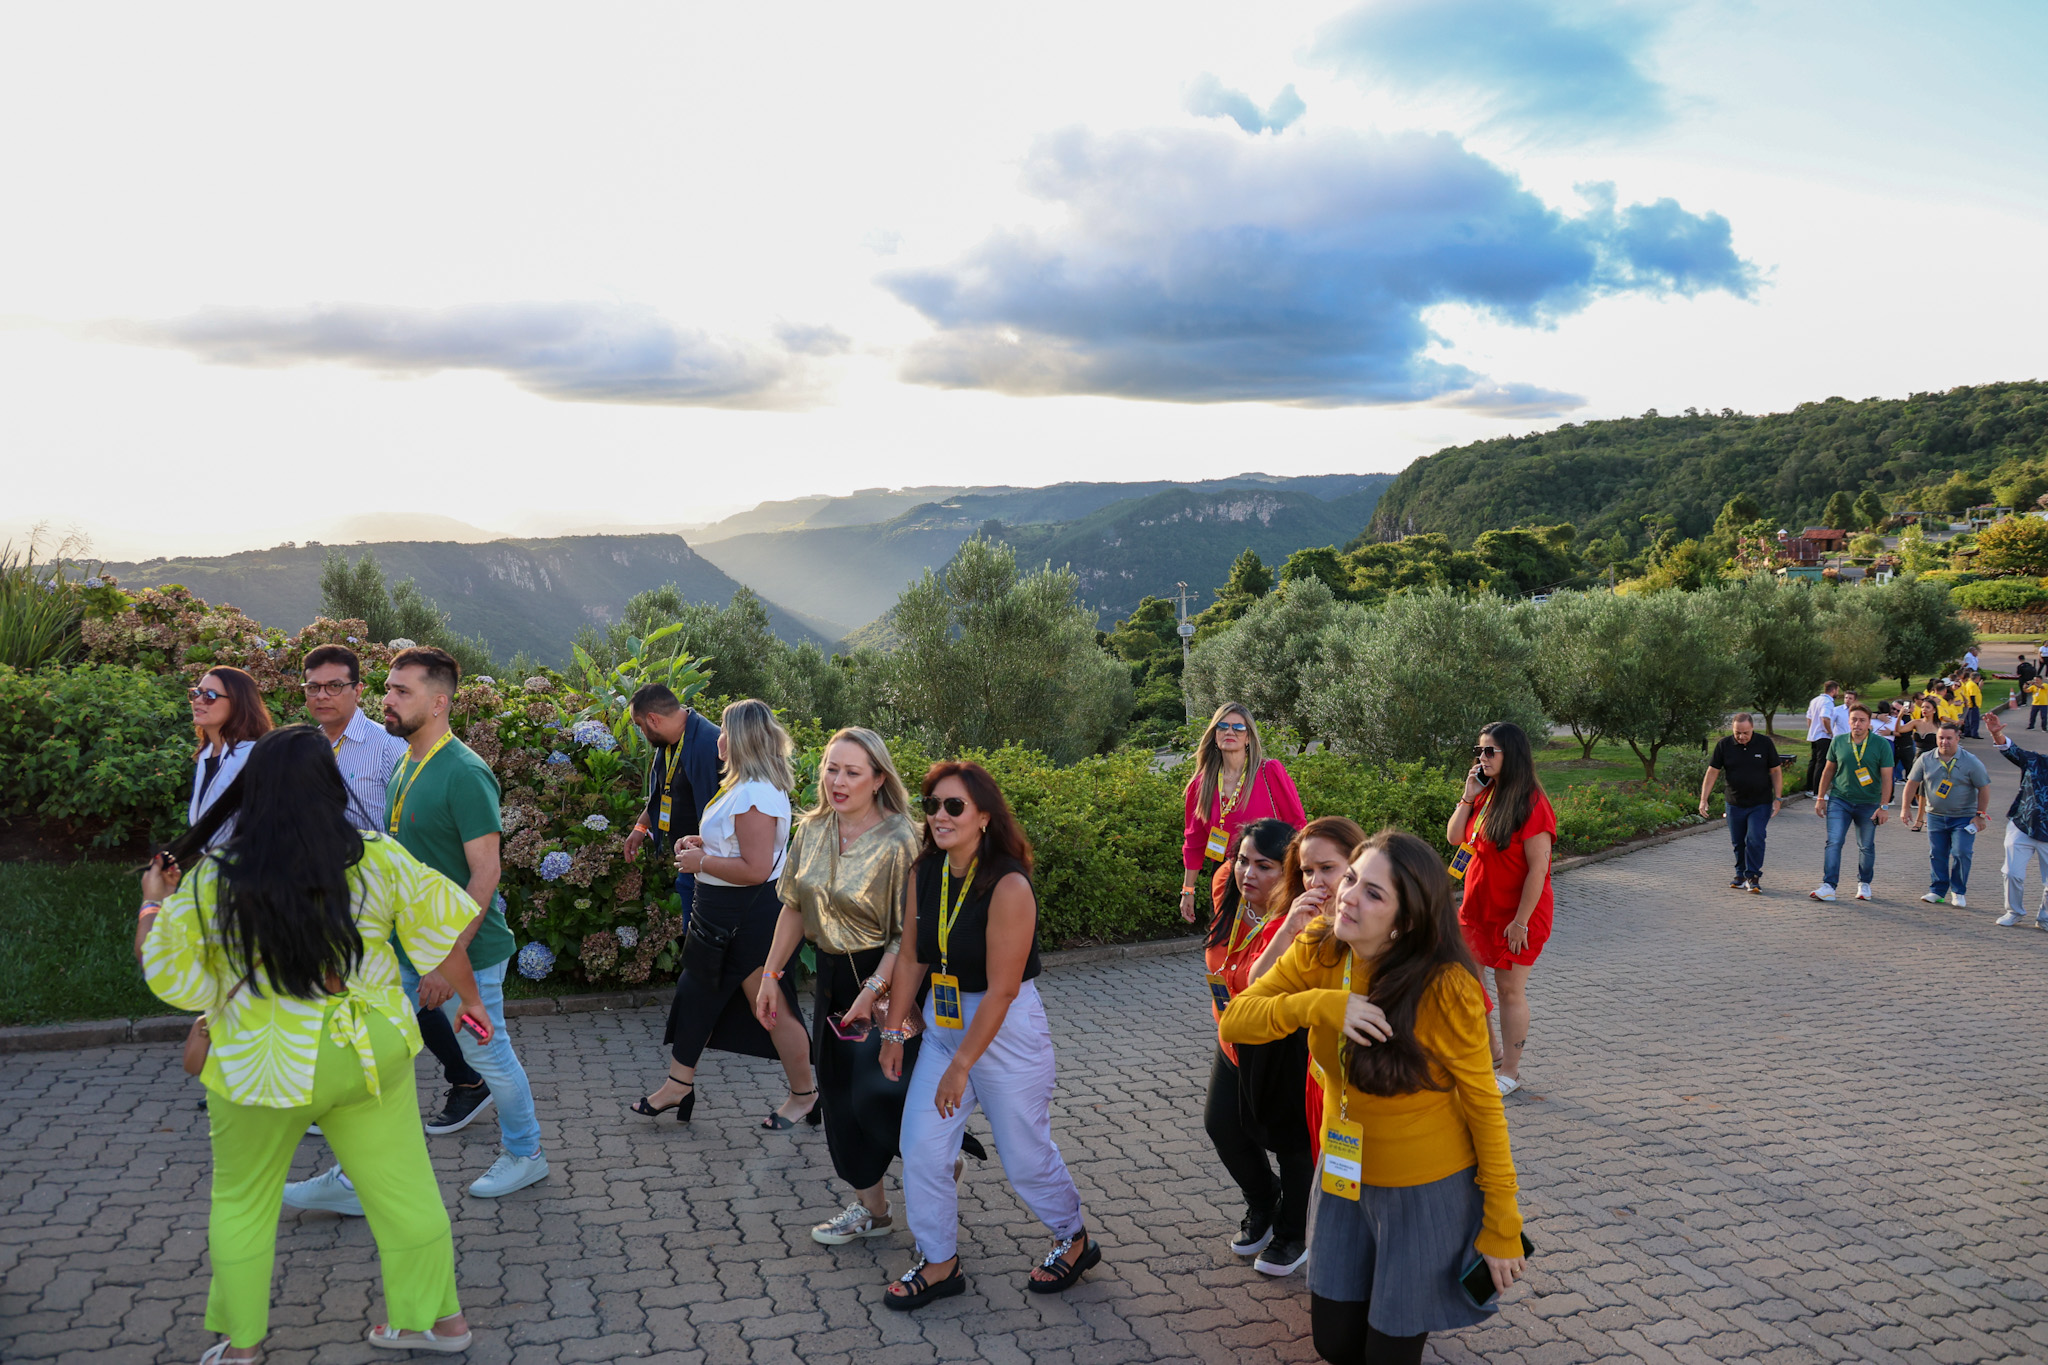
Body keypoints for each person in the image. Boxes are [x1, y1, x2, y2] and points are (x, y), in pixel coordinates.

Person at [137, 726, 492, 1360]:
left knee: (243, 1202)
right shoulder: (380, 855)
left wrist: (151, 905)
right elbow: (444, 931)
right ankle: (442, 1324)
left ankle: (242, 1349)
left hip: (259, 1062)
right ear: (330, 784)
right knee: (406, 1189)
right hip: (367, 1051)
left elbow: (176, 981)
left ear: (255, 789)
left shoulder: (215, 876)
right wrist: (470, 1000)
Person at [1220, 830, 1526, 1365]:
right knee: (1334, 1342)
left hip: (1424, 1191)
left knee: (1388, 1351)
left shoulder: (1446, 986)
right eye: (1353, 879)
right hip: (1344, 1177)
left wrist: (1502, 1224)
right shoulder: (1321, 945)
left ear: (1405, 922)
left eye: (1374, 894)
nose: (1348, 896)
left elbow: (1483, 1105)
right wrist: (1322, 1004)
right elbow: (1242, 1018)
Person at [285, 646, 550, 1216]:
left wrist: (446, 956)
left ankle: (527, 1154)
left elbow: (487, 872)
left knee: (489, 1055)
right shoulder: (405, 763)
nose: (387, 699)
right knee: (375, 1057)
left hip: (466, 952)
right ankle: (359, 1180)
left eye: (401, 691)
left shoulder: (466, 772)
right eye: (388, 689)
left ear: (438, 702)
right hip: (404, 949)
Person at [878, 761, 1099, 1309]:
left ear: (983, 817)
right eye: (931, 805)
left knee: (1024, 1157)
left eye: (954, 806)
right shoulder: (924, 872)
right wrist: (892, 1031)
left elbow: (1002, 991)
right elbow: (910, 956)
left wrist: (961, 1067)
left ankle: (1072, 1237)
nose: (940, 816)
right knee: (922, 1149)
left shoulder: (1008, 883)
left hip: (1005, 1033)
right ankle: (939, 1261)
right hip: (944, 1024)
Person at [304, 644, 489, 1136]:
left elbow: (417, 827)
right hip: (330, 893)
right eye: (313, 687)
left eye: (334, 685)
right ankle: (351, 1098)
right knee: (355, 997)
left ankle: (474, 1086)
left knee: (404, 999)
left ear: (356, 690)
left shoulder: (390, 746)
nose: (323, 695)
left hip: (386, 898)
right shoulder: (310, 746)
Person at [754, 727, 924, 1243]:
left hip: (890, 981)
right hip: (829, 978)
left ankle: (934, 1167)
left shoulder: (900, 838)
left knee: (886, 1098)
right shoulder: (810, 830)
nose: (838, 781)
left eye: (852, 771)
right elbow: (792, 906)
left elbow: (908, 934)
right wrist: (770, 975)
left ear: (878, 779)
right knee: (840, 1098)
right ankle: (872, 1210)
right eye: (831, 768)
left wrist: (873, 991)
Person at [637, 699, 815, 1128]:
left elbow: (755, 869)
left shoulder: (755, 793)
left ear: (742, 739)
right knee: (696, 992)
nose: (717, 739)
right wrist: (698, 843)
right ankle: (679, 1085)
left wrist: (703, 863)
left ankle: (805, 1095)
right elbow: (736, 845)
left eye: (724, 731)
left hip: (747, 918)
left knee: (771, 1010)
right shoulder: (744, 785)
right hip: (717, 913)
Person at [1200, 818, 1311, 1278]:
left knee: (1293, 1144)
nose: (1248, 873)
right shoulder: (1229, 890)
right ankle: (1265, 1204)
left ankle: (1293, 1233)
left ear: (1288, 873)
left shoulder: (1298, 922)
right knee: (1222, 1126)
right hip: (1233, 1040)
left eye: (1264, 866)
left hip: (1283, 1050)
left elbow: (1264, 985)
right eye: (1244, 860)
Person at [1445, 721, 1554, 1097]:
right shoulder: (1486, 795)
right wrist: (1467, 795)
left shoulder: (1533, 804)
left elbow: (1539, 870)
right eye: (1479, 751)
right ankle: (1489, 1048)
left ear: (1513, 755)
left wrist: (1520, 922)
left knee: (1509, 991)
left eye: (1490, 751)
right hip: (1477, 910)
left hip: (1517, 915)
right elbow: (1455, 838)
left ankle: (1510, 1070)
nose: (1482, 758)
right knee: (1469, 980)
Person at [1179, 702, 1306, 925]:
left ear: (1248, 738)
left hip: (1268, 873)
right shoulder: (1200, 785)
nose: (1230, 732)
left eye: (1238, 728)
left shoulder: (1269, 772)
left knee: (1266, 946)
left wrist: (1300, 875)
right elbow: (1194, 842)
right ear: (1214, 736)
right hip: (1224, 875)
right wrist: (1188, 891)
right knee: (1223, 947)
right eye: (1223, 726)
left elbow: (1297, 825)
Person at [622, 684, 723, 929]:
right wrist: (641, 826)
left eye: (640, 725)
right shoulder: (670, 741)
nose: (642, 733)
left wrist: (706, 862)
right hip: (689, 862)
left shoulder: (711, 744)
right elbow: (664, 793)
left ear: (653, 719)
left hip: (713, 870)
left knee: (704, 947)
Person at [1899, 722, 1992, 908]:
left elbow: (1984, 787)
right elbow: (1911, 783)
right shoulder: (1926, 759)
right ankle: (1938, 890)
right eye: (1941, 738)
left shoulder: (1970, 761)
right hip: (1935, 815)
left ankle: (1958, 891)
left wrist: (1980, 814)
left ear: (1957, 738)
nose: (1944, 742)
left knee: (1961, 852)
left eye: (1949, 738)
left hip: (1963, 817)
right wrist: (1905, 808)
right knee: (1937, 854)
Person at [1810, 703, 1894, 903]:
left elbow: (1887, 778)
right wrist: (1821, 797)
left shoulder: (1880, 744)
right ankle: (1829, 886)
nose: (1857, 724)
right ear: (1849, 721)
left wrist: (1883, 806)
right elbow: (1828, 770)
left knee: (1865, 845)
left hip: (1869, 802)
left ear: (1868, 723)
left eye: (1862, 720)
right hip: (1840, 800)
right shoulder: (1838, 741)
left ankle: (1864, 883)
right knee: (1834, 841)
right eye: (1854, 720)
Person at [188, 666, 273, 848]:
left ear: (238, 703)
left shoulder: (254, 757)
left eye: (210, 695)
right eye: (197, 693)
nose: (199, 701)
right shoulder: (207, 753)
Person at [1701, 714, 1783, 893]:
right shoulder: (1724, 745)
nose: (1741, 737)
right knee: (1738, 841)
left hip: (1760, 802)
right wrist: (1703, 799)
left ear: (1752, 728)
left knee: (1755, 837)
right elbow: (1712, 772)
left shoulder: (1765, 743)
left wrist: (1778, 798)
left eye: (1745, 733)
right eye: (1737, 733)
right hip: (1734, 802)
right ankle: (1740, 874)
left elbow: (1776, 771)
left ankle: (1753, 876)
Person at [1981, 711, 2048, 929]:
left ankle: (2045, 917)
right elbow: (2012, 751)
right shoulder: (2036, 761)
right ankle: (2014, 911)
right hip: (2023, 824)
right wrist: (1996, 735)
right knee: (2012, 873)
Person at [1802, 682, 1841, 794]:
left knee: (1813, 761)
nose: (1837, 693)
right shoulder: (1827, 702)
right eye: (1837, 690)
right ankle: (1817, 791)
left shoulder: (1815, 700)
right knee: (1821, 763)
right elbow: (1825, 718)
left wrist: (1812, 729)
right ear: (1833, 690)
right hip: (1823, 736)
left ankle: (1809, 788)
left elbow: (1809, 718)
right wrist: (1830, 731)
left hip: (1814, 735)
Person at [1959, 670, 1984, 739]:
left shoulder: (1969, 683)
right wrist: (1974, 704)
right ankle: (1974, 733)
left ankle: (1968, 732)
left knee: (1968, 720)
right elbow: (1972, 695)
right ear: (1977, 677)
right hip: (1972, 705)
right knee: (1974, 720)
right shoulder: (1972, 685)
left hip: (1969, 705)